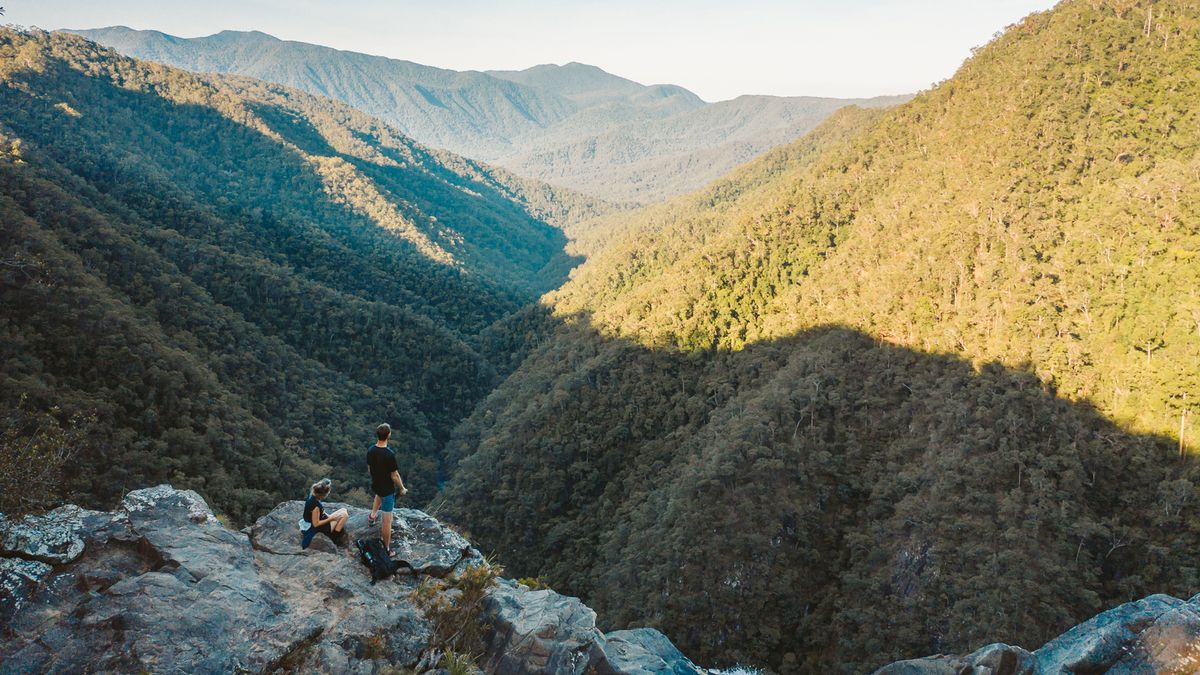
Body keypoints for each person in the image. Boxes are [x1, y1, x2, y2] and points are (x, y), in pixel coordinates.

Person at [366, 423, 408, 552]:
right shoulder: (389, 454)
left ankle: (372, 516)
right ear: (389, 435)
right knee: (386, 522)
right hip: (387, 489)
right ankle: (387, 548)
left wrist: (377, 476)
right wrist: (402, 488)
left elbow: (369, 468)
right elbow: (394, 475)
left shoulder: (371, 450)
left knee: (378, 494)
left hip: (376, 483)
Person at [301, 478, 349, 549]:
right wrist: (331, 518)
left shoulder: (313, 495)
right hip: (321, 527)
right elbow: (316, 524)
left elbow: (321, 512)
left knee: (343, 510)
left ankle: (335, 532)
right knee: (345, 515)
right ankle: (335, 537)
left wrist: (328, 516)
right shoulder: (315, 506)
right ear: (323, 494)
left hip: (322, 518)